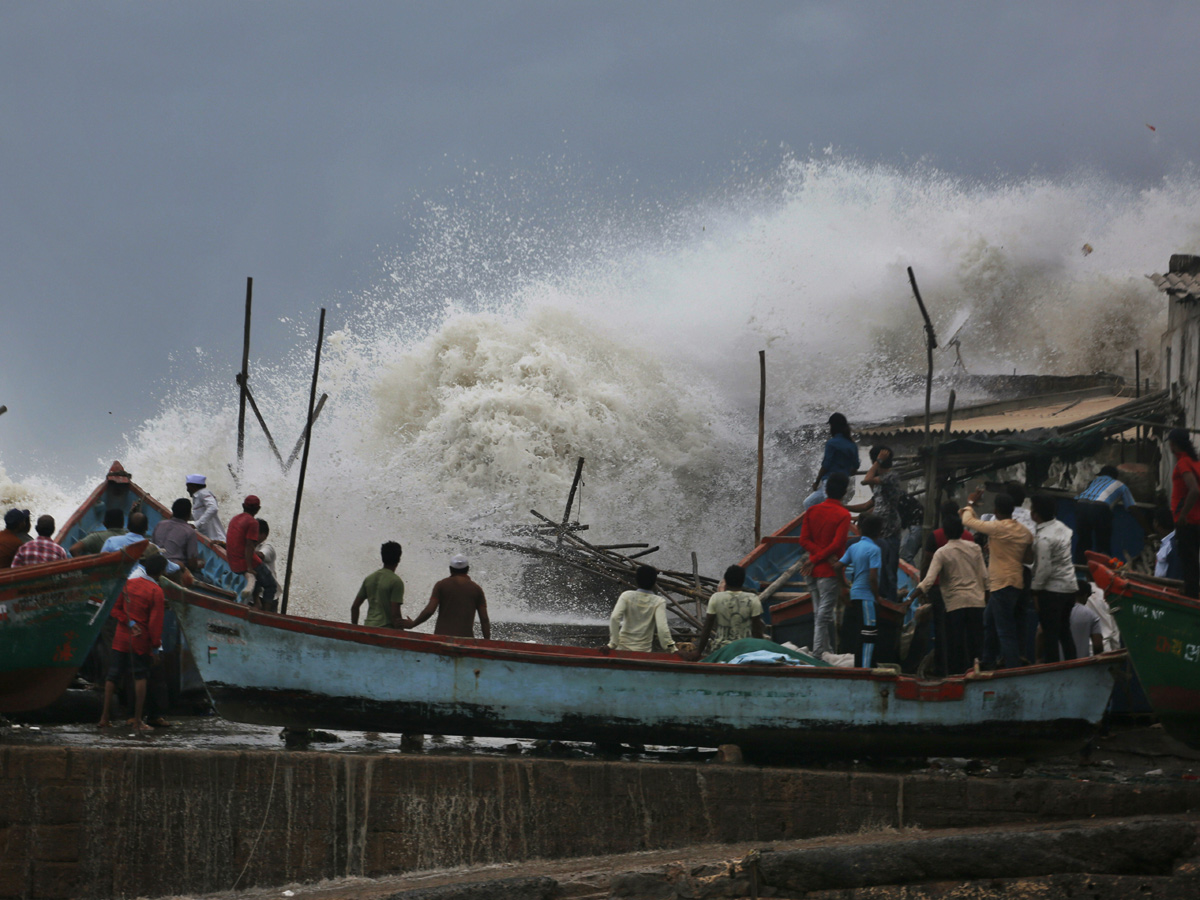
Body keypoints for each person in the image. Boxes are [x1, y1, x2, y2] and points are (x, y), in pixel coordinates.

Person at [961, 489, 1033, 669]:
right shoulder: (1024, 532)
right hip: (1016, 582)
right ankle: (987, 661)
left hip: (1002, 584)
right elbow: (1029, 559)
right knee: (990, 621)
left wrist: (970, 504)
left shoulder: (998, 527)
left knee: (1004, 630)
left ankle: (1012, 668)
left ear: (996, 511)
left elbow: (967, 521)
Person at [98, 554, 168, 731]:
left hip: (121, 637)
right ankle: (137, 720)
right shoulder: (156, 591)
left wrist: (129, 623)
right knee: (140, 676)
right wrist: (155, 648)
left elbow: (115, 609)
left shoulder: (128, 584)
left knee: (113, 675)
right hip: (140, 640)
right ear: (161, 571)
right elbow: (155, 624)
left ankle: (104, 718)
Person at [912, 514, 988, 675]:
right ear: (962, 531)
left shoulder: (942, 552)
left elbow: (929, 580)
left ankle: (956, 678)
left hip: (954, 605)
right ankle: (978, 674)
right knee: (976, 645)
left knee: (956, 645)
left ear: (945, 533)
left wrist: (911, 597)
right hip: (976, 602)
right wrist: (985, 599)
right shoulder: (974, 548)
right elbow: (985, 577)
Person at [799, 471, 853, 657]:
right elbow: (837, 545)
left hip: (810, 570)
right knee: (824, 615)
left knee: (818, 613)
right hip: (828, 572)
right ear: (844, 492)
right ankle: (818, 652)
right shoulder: (844, 514)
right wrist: (817, 559)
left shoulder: (812, 511)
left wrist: (813, 558)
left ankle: (826, 649)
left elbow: (804, 540)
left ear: (826, 490)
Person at [1029, 494, 1078, 662]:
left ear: (1035, 514)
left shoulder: (1043, 538)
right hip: (1069, 588)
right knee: (1065, 632)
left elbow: (1044, 568)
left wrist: (1034, 590)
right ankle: (1073, 666)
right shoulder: (1062, 528)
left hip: (1052, 592)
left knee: (1050, 635)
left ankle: (1053, 671)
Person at [832, 513, 884, 667]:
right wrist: (877, 597)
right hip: (867, 598)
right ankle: (866, 670)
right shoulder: (874, 549)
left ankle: (859, 667)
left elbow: (837, 567)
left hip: (854, 595)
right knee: (869, 634)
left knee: (858, 635)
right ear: (879, 532)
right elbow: (873, 578)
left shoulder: (854, 546)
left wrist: (844, 587)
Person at [407, 554, 491, 640]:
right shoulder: (477, 589)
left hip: (441, 638)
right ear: (468, 569)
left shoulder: (441, 585)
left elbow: (429, 611)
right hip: (466, 641)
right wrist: (487, 642)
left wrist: (413, 624)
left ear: (450, 569)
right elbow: (484, 619)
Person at [688, 564, 763, 657]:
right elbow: (757, 630)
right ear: (743, 580)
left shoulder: (716, 597)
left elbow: (707, 627)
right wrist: (762, 651)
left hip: (720, 650)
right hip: (745, 650)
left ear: (726, 581)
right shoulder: (753, 599)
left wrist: (698, 652)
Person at [862, 446, 904, 604]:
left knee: (889, 572)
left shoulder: (890, 476)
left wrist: (878, 460)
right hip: (878, 533)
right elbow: (872, 504)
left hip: (890, 531)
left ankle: (891, 603)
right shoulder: (879, 482)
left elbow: (866, 480)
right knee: (879, 570)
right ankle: (880, 599)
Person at [604, 565, 676, 653]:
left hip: (622, 649)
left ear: (636, 581)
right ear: (654, 583)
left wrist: (612, 644)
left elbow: (614, 618)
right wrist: (672, 649)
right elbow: (662, 628)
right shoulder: (659, 601)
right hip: (643, 652)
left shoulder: (626, 596)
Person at [1073, 466, 1137, 562]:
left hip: (1081, 505)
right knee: (1103, 543)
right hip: (1100, 508)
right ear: (1115, 476)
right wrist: (1148, 529)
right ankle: (1102, 570)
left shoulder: (1093, 482)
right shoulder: (1120, 485)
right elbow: (1132, 507)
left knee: (1083, 542)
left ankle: (1080, 570)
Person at [226, 495, 277, 609]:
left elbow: (234, 540)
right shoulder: (253, 523)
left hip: (233, 564)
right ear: (258, 509)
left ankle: (256, 602)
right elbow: (249, 546)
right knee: (271, 586)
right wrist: (249, 567)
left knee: (258, 575)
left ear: (243, 506)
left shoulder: (235, 519)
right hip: (244, 564)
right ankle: (265, 614)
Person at [1168, 428, 1200, 598]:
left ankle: (1191, 595)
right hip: (1196, 520)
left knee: (1188, 560)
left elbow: (1194, 490)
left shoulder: (1183, 463)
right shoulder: (1196, 463)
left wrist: (1183, 515)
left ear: (1173, 445)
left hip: (1186, 522)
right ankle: (1192, 590)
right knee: (1193, 559)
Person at [804, 413, 860, 509]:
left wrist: (816, 482)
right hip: (843, 482)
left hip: (830, 481)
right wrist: (844, 472)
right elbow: (855, 466)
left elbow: (826, 465)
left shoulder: (832, 443)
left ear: (833, 426)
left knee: (829, 508)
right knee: (808, 502)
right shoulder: (852, 444)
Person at [350, 541, 405, 628]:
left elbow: (354, 607)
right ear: (399, 559)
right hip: (386, 630)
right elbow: (395, 615)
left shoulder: (369, 578)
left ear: (382, 557)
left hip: (368, 628)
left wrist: (355, 628)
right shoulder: (396, 582)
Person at [151, 499, 202, 572]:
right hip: (174, 570)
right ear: (188, 514)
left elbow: (152, 547)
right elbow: (192, 564)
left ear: (173, 511)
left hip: (155, 565)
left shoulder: (160, 524)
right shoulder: (190, 532)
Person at [185, 474, 226, 543]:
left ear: (193, 486)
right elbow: (199, 515)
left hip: (216, 539)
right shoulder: (197, 497)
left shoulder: (203, 493)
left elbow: (213, 508)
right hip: (208, 538)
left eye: (188, 487)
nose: (187, 490)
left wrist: (196, 524)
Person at [1069, 579, 1104, 658]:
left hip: (1055, 666)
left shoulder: (1055, 611)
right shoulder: (1091, 615)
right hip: (1081, 665)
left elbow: (1040, 633)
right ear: (1085, 596)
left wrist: (1038, 658)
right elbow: (1097, 644)